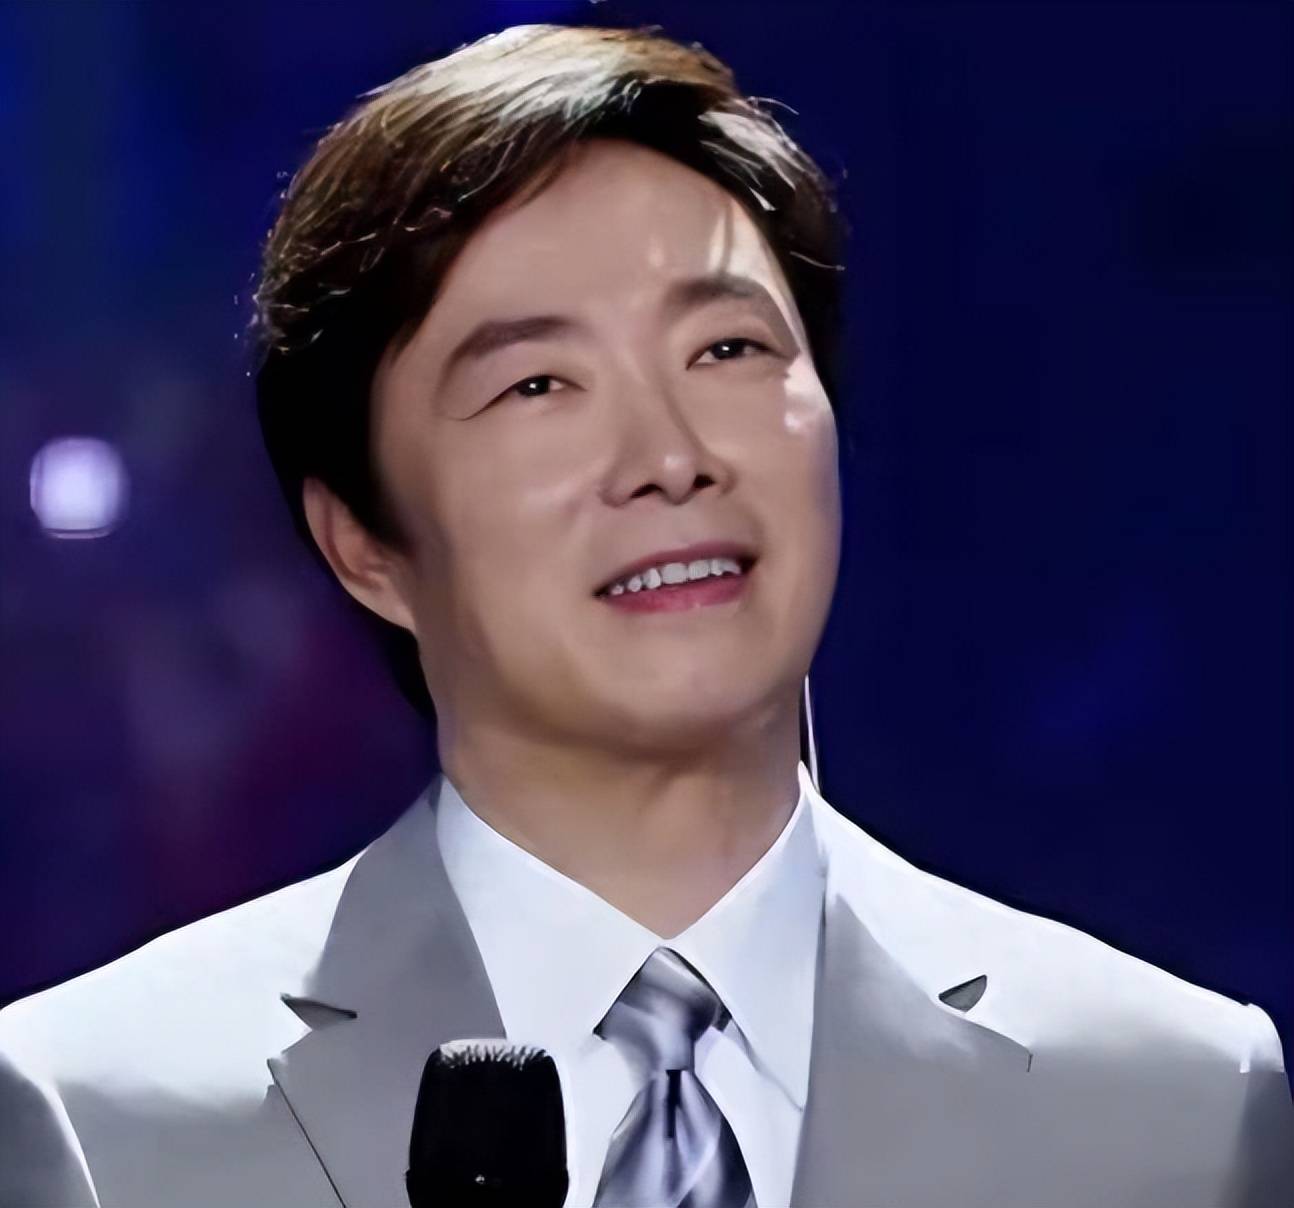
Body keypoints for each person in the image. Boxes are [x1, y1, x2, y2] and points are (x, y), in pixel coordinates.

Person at [1, 22, 1290, 1208]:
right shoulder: (104, 1122)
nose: (669, 458)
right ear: (364, 545)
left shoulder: (1172, 1108)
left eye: (727, 352)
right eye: (538, 385)